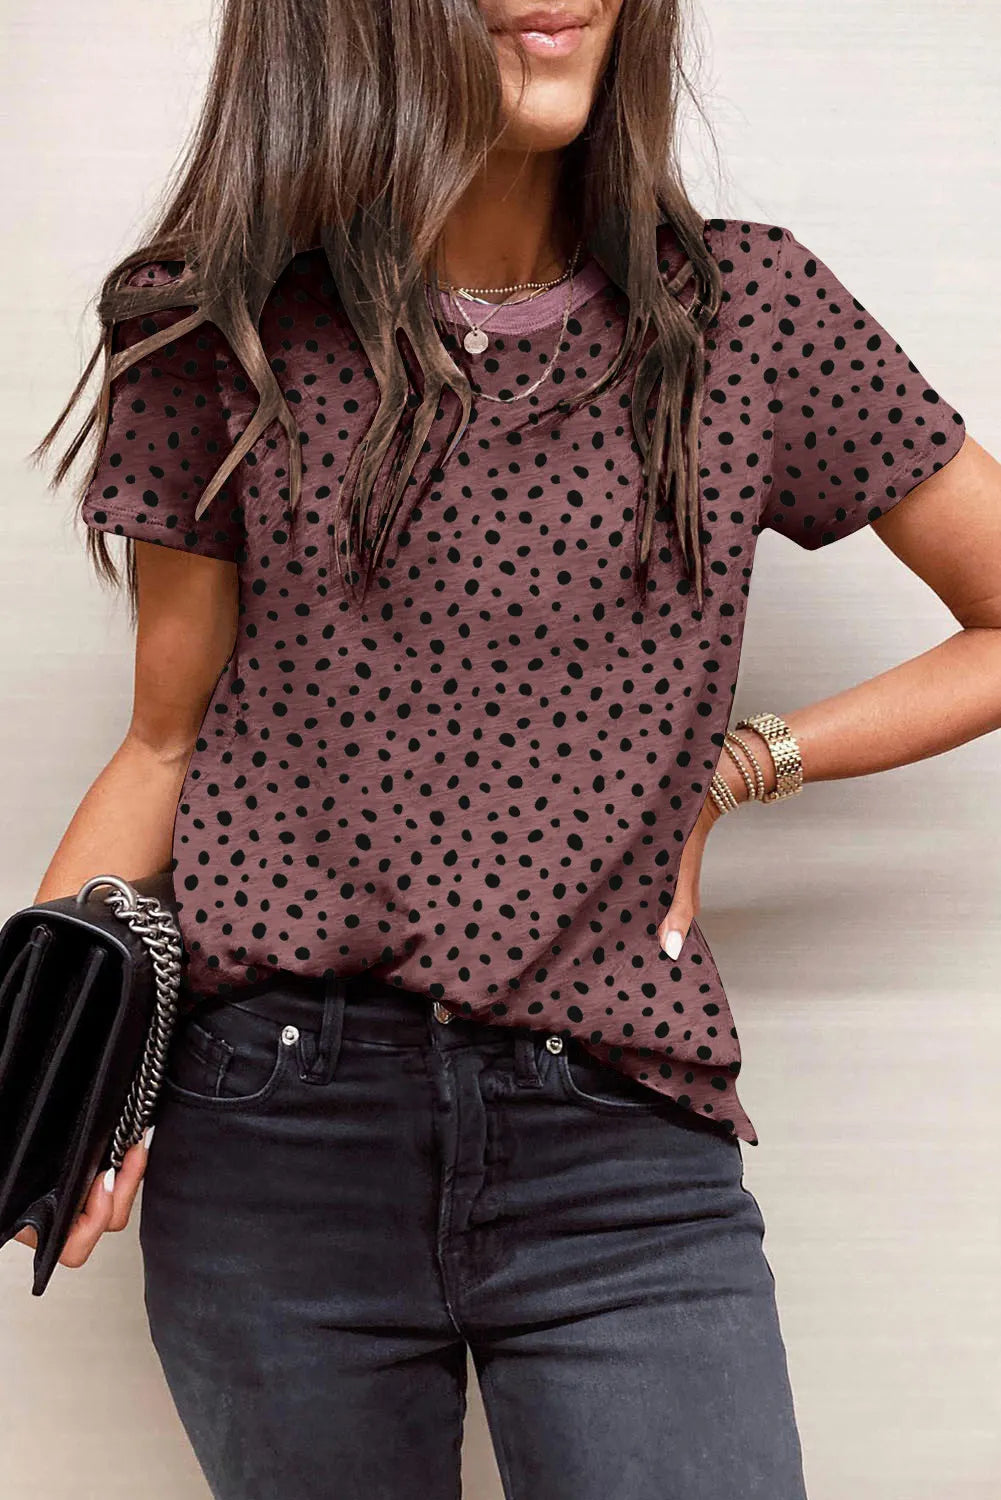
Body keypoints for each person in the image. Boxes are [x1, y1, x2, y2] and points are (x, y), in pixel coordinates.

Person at [20, 1, 1000, 1496]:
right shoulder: (217, 323)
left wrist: (745, 764)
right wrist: (43, 1058)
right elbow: (164, 744)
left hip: (618, 1139)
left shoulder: (750, 310)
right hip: (279, 1141)